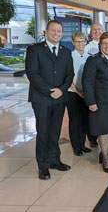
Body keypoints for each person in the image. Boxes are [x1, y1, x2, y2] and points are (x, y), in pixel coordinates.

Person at [25, 20, 74, 180]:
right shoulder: (35, 50)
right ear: (47, 31)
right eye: (53, 30)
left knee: (55, 131)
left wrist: (61, 89)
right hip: (41, 98)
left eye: (59, 31)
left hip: (59, 98)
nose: (56, 33)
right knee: (43, 132)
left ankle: (55, 160)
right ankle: (43, 165)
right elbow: (32, 73)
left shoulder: (66, 52)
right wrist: (48, 91)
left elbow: (69, 75)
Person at [82, 32, 108, 173]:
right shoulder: (93, 60)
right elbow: (87, 82)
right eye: (105, 43)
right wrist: (91, 102)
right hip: (100, 101)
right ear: (100, 45)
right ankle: (105, 157)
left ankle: (106, 153)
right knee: (103, 131)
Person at [66, 32, 92, 156]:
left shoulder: (90, 56)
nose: (80, 43)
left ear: (86, 42)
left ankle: (82, 144)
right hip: (72, 93)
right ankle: (76, 146)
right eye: (77, 41)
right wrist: (78, 91)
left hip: (86, 93)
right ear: (73, 43)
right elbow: (67, 77)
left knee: (84, 120)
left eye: (82, 41)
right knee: (74, 120)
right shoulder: (69, 56)